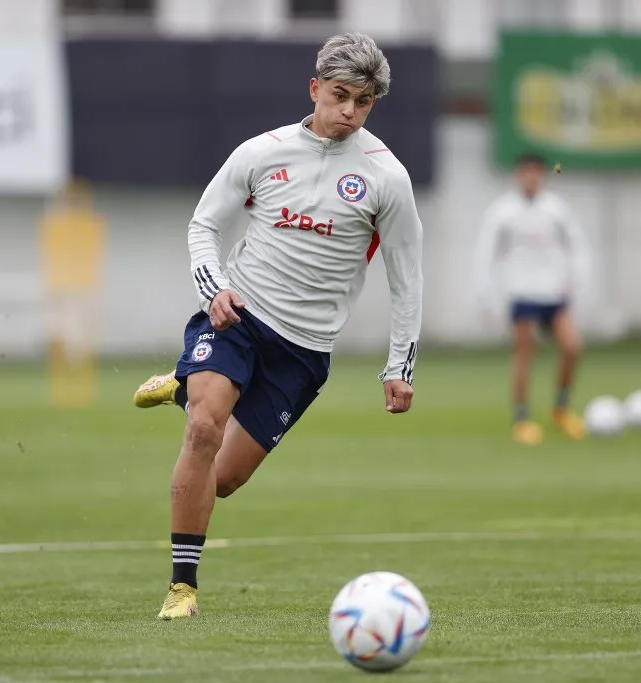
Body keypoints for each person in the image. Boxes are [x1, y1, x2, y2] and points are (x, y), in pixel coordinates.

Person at [132, 33, 423, 620]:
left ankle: (185, 384)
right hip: (238, 317)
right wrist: (214, 291)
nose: (348, 111)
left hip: (304, 352)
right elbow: (203, 226)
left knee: (225, 478)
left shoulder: (386, 177)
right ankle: (182, 588)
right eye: (339, 95)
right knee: (205, 429)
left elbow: (407, 279)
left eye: (362, 102)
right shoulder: (261, 152)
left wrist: (399, 367)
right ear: (314, 88)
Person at [471, 152, 591, 446]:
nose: (531, 178)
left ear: (543, 175)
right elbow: (485, 254)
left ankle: (560, 409)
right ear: (517, 175)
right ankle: (522, 418)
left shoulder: (556, 209)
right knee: (525, 354)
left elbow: (577, 246)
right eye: (526, 172)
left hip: (554, 292)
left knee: (572, 347)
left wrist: (576, 283)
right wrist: (486, 298)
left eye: (536, 172)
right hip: (522, 292)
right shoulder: (502, 211)